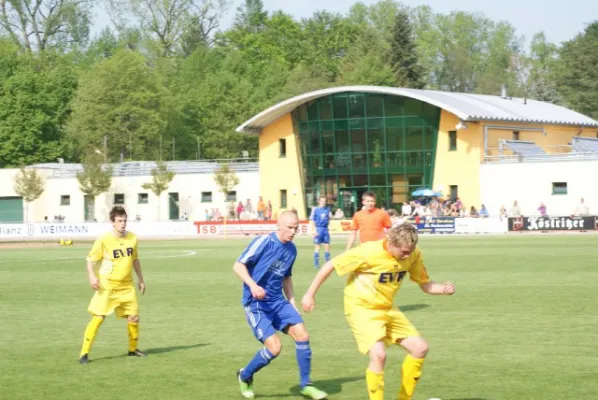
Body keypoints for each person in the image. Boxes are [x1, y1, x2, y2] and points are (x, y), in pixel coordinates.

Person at [302, 223, 456, 400]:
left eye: (410, 251)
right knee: (379, 354)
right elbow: (330, 264)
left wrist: (443, 289)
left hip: (387, 308)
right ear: (391, 242)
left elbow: (426, 285)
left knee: (420, 348)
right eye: (404, 252)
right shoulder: (367, 252)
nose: (407, 255)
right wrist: (309, 294)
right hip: (361, 309)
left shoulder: (413, 254)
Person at [233, 211, 327, 400]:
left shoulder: (292, 250)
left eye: (296, 228)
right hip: (256, 304)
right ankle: (245, 376)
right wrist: (253, 285)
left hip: (278, 301)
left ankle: (306, 385)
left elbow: (286, 277)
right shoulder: (264, 242)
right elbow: (238, 266)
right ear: (279, 226)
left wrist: (291, 302)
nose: (293, 232)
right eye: (290, 228)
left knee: (303, 335)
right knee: (274, 348)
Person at [79, 206, 147, 364]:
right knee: (99, 317)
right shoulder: (104, 240)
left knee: (134, 317)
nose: (123, 224)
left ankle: (132, 349)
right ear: (112, 222)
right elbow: (90, 260)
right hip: (108, 285)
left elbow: (135, 259)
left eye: (124, 220)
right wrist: (92, 276)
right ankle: (84, 353)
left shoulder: (132, 238)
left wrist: (141, 279)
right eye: (119, 221)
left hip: (127, 285)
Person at [310, 196, 332, 269]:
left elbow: (329, 219)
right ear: (319, 202)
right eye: (322, 201)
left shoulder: (327, 209)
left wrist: (329, 227)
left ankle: (327, 264)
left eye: (324, 201)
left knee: (327, 246)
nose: (323, 202)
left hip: (325, 229)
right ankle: (316, 264)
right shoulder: (316, 210)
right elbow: (313, 220)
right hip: (318, 229)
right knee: (317, 247)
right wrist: (314, 230)